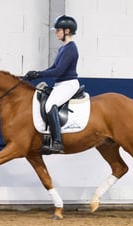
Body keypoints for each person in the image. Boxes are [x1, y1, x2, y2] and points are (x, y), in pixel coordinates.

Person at [25, 15, 80, 153]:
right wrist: (36, 74)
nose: (56, 33)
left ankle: (57, 142)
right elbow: (53, 67)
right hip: (61, 84)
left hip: (68, 84)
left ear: (67, 31)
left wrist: (40, 74)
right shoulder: (63, 48)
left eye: (58, 30)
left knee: (50, 105)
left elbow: (58, 71)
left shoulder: (71, 48)